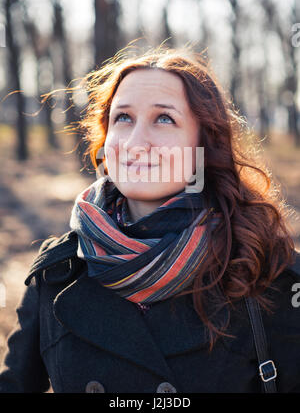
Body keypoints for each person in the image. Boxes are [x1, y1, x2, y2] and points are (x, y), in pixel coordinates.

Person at [0, 44, 299, 394]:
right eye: (123, 118)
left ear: (202, 148)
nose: (136, 142)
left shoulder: (265, 270)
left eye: (164, 119)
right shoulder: (57, 274)